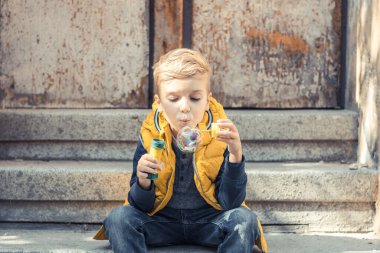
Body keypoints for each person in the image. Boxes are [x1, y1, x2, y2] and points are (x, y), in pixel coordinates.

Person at [93, 48, 267, 253]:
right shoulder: (151, 135)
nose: (184, 107)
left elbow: (231, 202)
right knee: (119, 218)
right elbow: (140, 206)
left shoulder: (219, 136)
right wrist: (143, 181)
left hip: (209, 221)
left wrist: (235, 156)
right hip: (161, 221)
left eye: (194, 98)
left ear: (207, 101)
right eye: (174, 99)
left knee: (245, 220)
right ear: (158, 104)